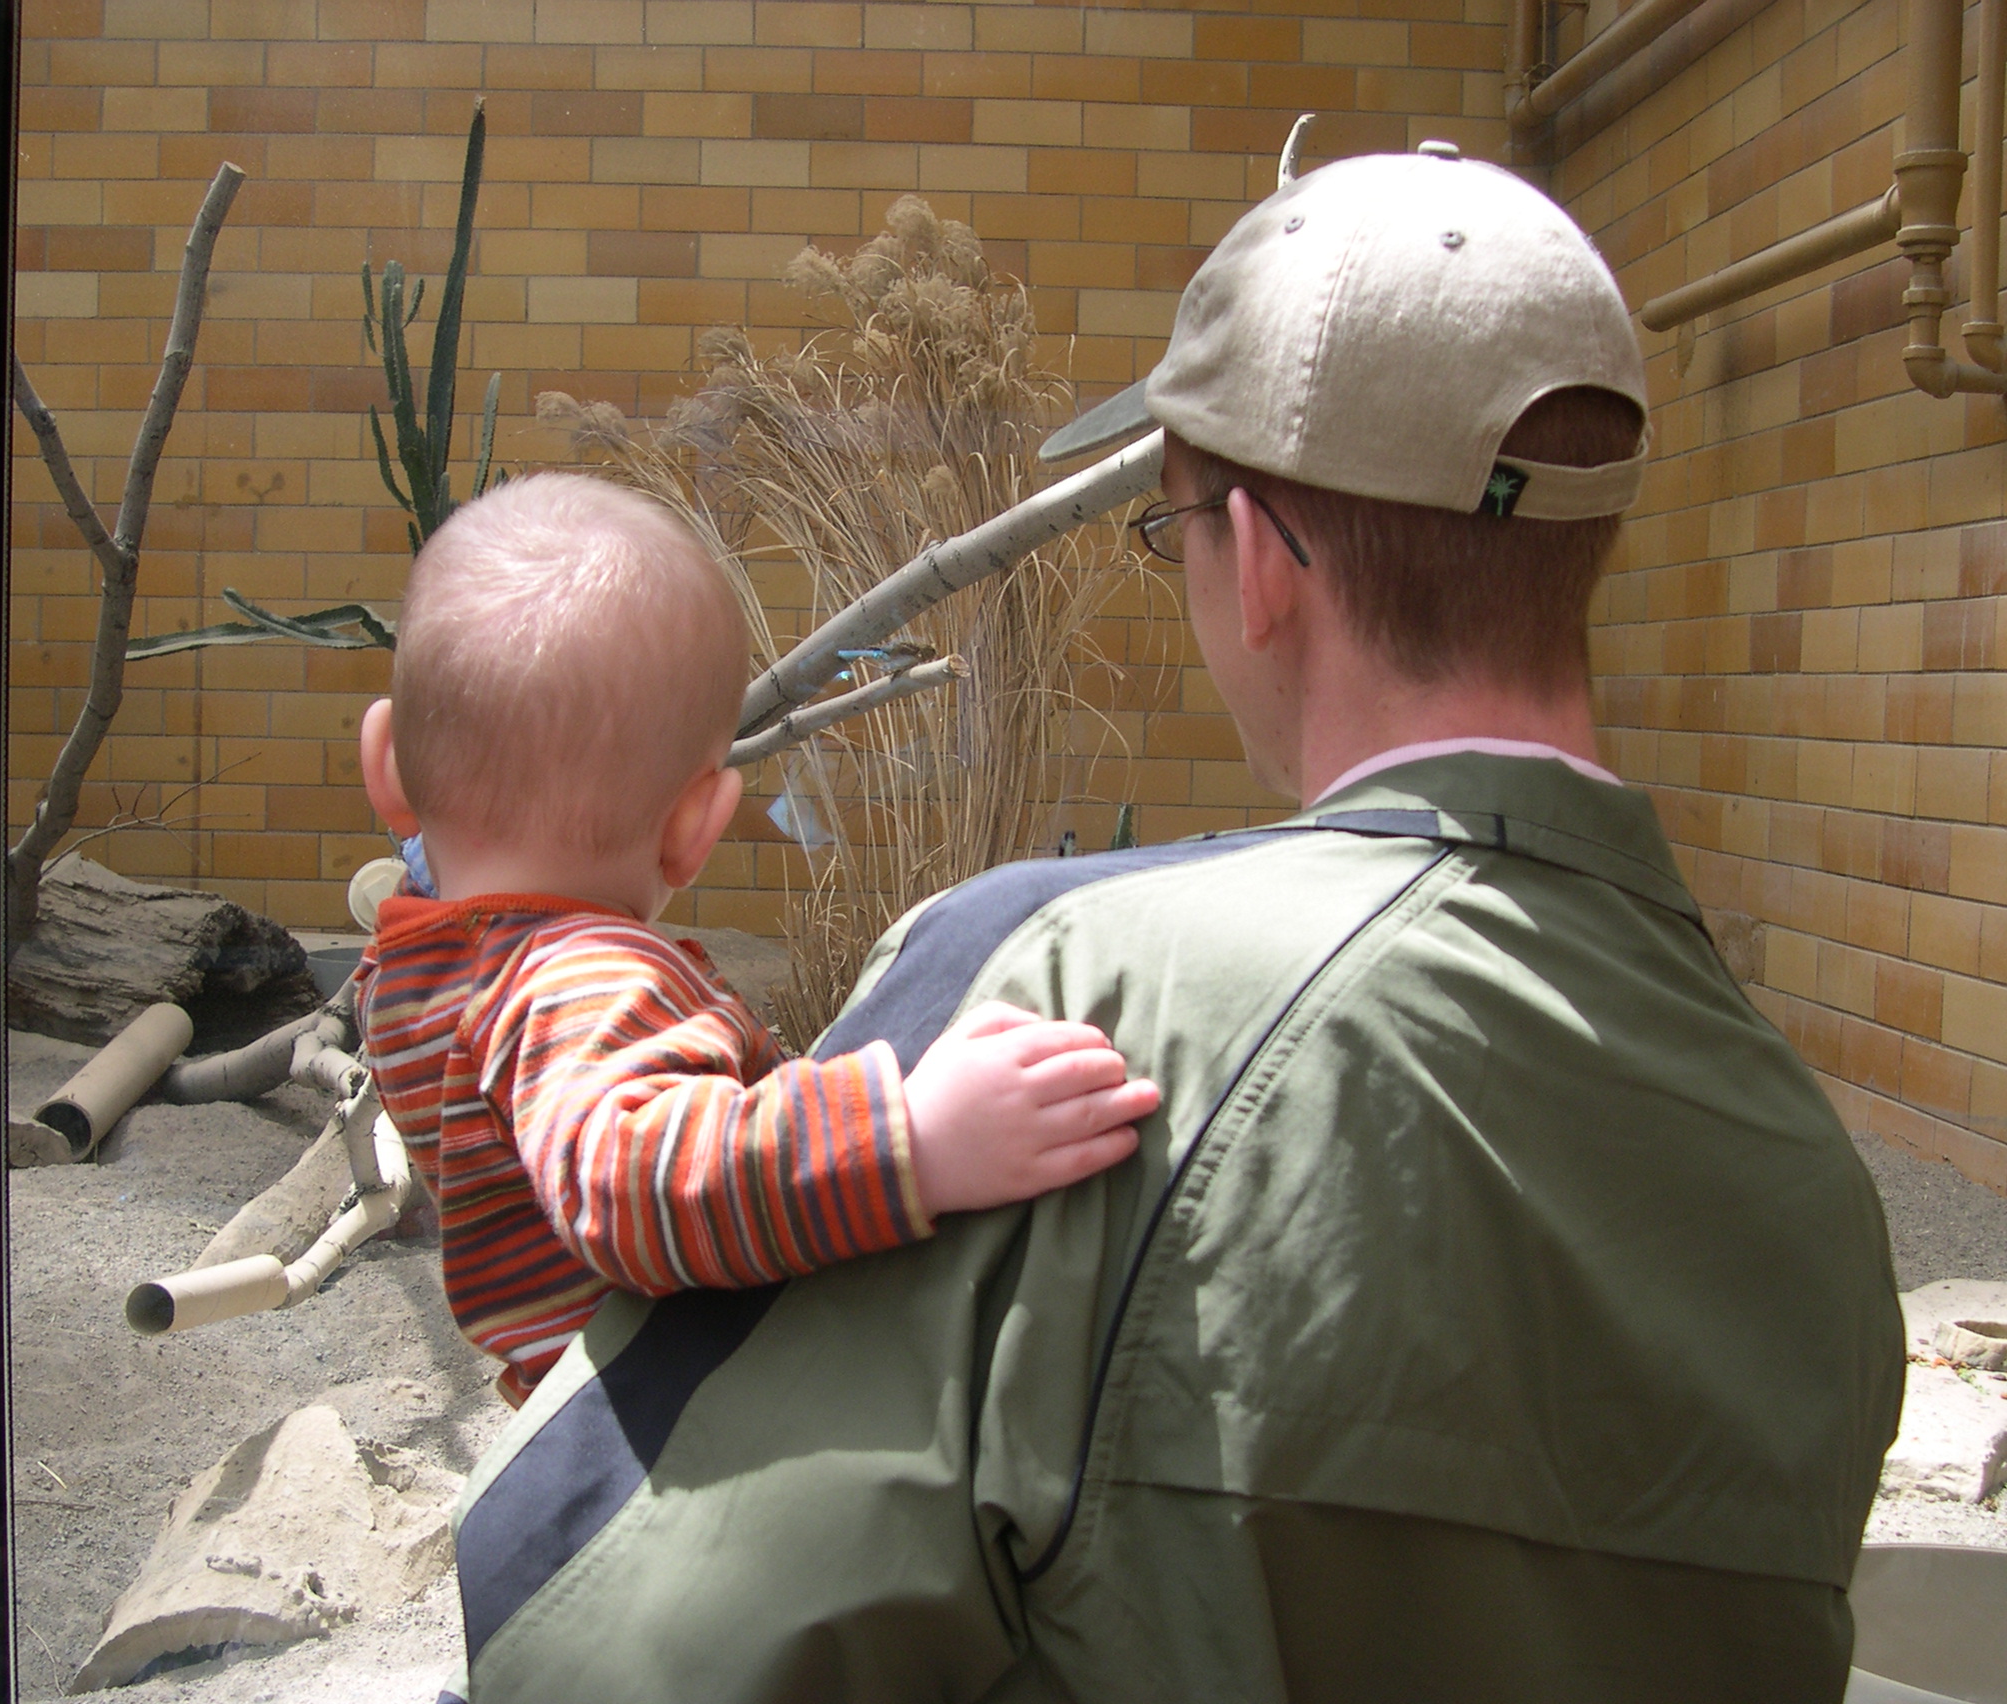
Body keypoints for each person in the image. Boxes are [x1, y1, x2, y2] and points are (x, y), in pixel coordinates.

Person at [434, 152, 1904, 1703]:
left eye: (1178, 527)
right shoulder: (1812, 1175)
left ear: (1261, 559)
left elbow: (609, 1640)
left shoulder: (1060, 984)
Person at [354, 472, 1159, 1405]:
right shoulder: (574, 979)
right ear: (698, 827)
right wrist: (914, 1137)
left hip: (589, 1412)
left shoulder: (418, 967)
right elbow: (631, 1185)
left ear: (386, 766)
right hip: (688, 1418)